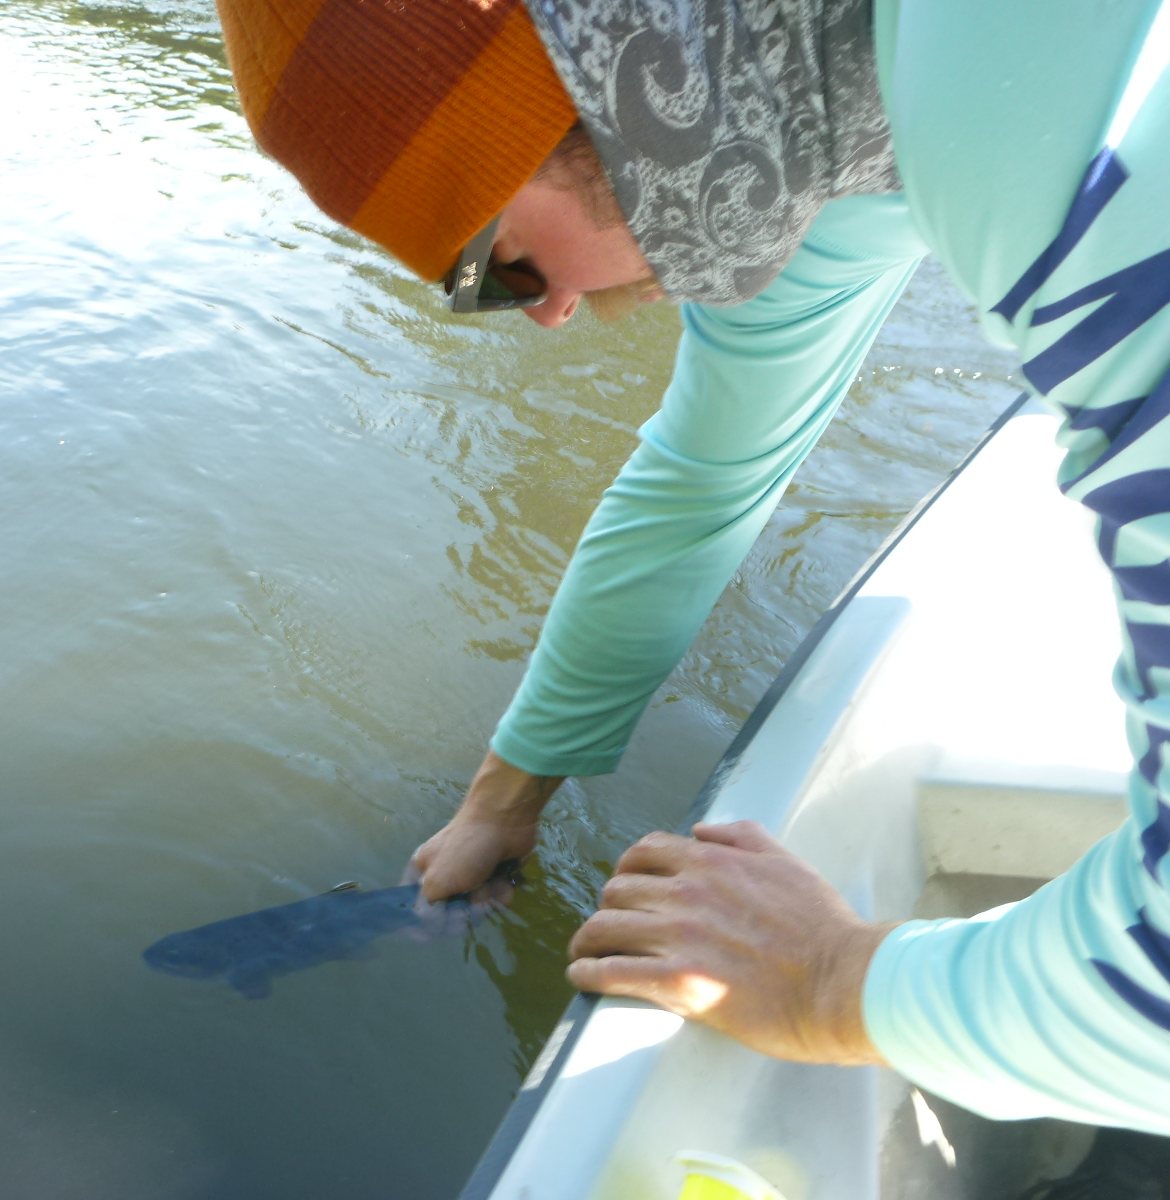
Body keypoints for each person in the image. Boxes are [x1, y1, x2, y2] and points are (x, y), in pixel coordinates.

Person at [211, 0, 1170, 1132]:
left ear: (598, 75)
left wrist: (834, 983)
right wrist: (505, 798)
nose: (555, 315)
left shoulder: (1036, 116)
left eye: (498, 271)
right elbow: (701, 477)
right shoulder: (794, 116)